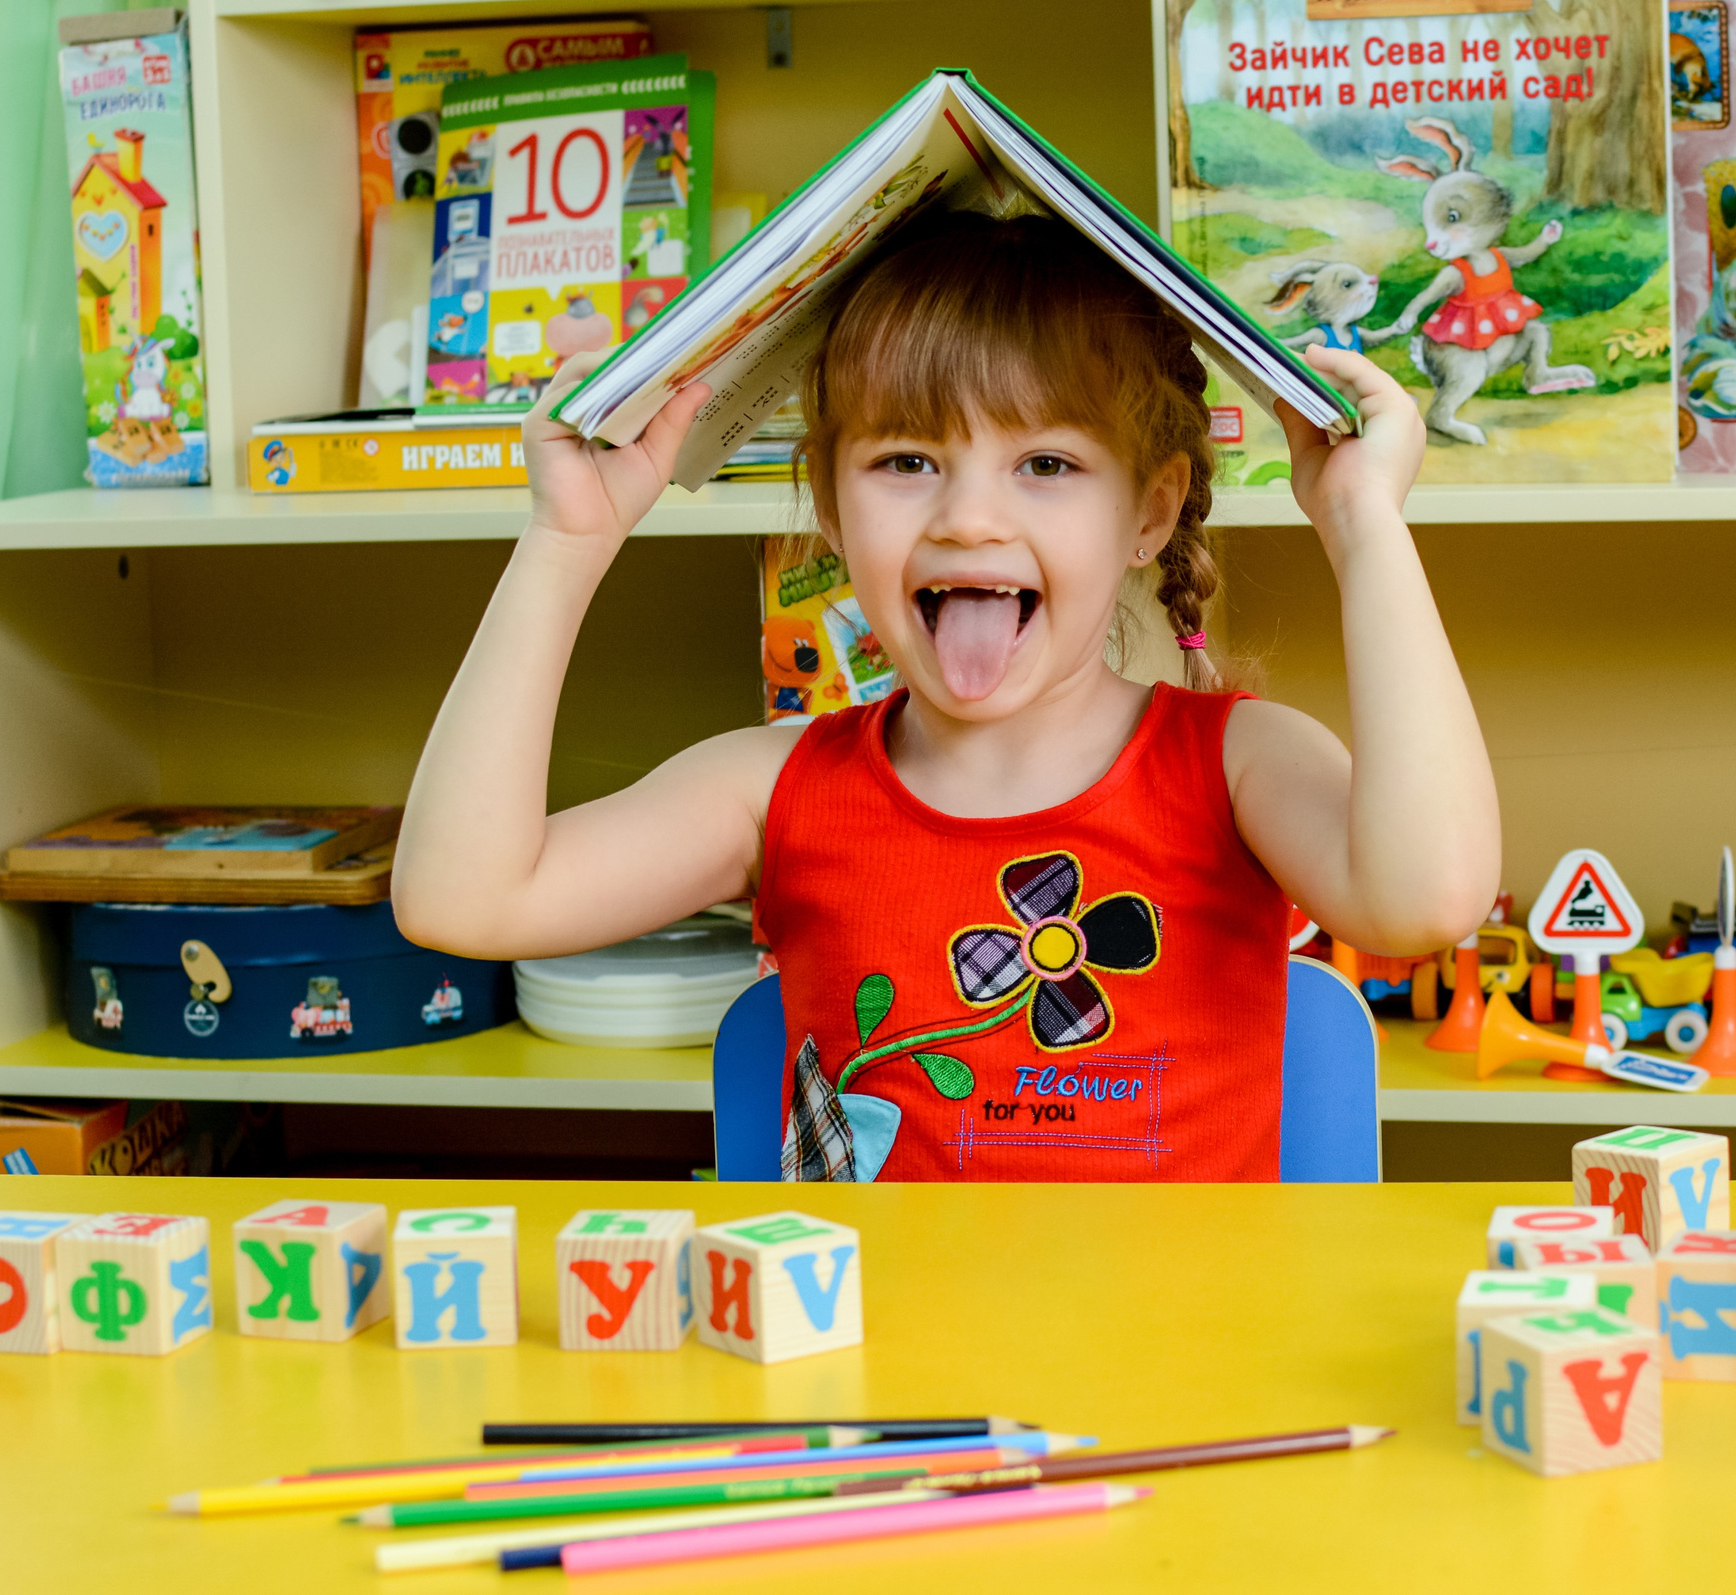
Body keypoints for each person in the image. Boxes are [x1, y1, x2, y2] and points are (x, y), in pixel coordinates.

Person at [393, 211, 1500, 1182]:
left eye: (1047, 466)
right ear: (829, 504)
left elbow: (1427, 901)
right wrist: (564, 540)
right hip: (881, 1406)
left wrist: (1366, 528)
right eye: (908, 462)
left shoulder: (1240, 764)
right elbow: (462, 901)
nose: (969, 518)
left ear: (1150, 515)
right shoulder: (769, 786)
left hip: (1168, 1398)